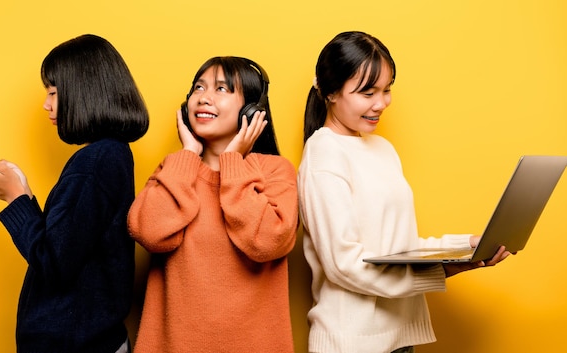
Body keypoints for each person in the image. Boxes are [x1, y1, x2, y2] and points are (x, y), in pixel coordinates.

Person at [298, 31, 511, 353]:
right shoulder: (324, 153)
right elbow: (344, 265)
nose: (381, 103)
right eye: (368, 92)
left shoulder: (382, 148)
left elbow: (398, 248)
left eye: (387, 90)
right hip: (351, 343)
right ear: (330, 92)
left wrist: (466, 245)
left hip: (400, 339)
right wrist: (445, 270)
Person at [0, 34, 149, 353]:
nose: (46, 104)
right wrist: (22, 192)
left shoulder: (95, 162)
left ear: (85, 91)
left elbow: (53, 263)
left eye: (53, 91)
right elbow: (67, 247)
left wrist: (14, 199)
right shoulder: (110, 155)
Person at [128, 56, 299, 353]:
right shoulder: (175, 168)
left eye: (221, 89)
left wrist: (232, 162)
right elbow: (148, 232)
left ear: (251, 110)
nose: (204, 98)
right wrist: (189, 154)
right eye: (198, 88)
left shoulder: (274, 171)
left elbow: (269, 242)